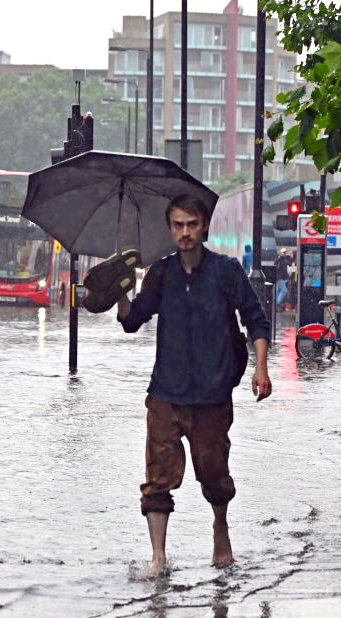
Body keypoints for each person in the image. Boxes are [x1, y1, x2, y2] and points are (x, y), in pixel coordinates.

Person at [115, 194, 272, 578]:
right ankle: (158, 557)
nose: (185, 232)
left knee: (215, 476)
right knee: (157, 480)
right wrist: (116, 289)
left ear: (203, 228)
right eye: (178, 225)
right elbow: (133, 320)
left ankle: (220, 526)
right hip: (165, 393)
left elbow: (256, 319)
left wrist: (261, 369)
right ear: (170, 229)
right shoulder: (161, 274)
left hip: (212, 395)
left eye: (191, 224)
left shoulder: (226, 271)